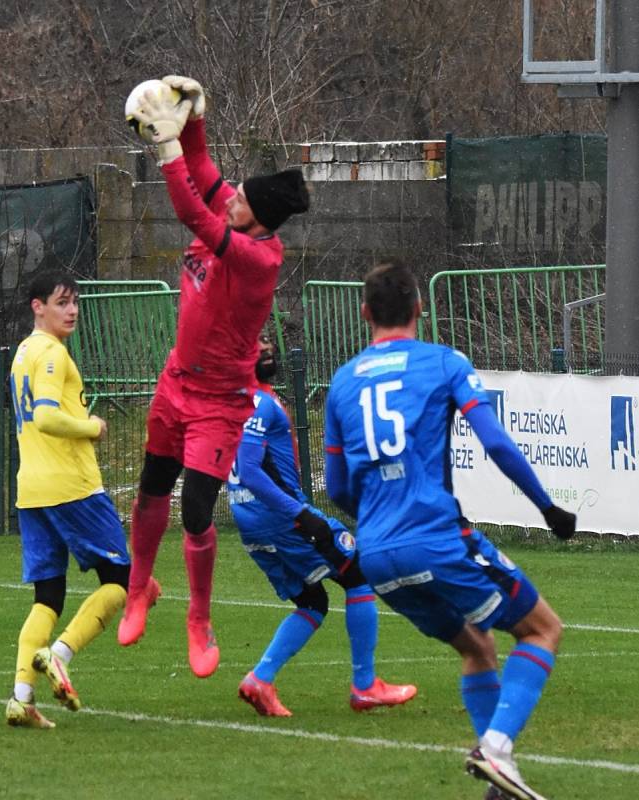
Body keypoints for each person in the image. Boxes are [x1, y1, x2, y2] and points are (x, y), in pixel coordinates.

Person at [324, 261, 576, 800]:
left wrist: (375, 517)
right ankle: (496, 748)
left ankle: (500, 786)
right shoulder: (443, 363)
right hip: (436, 536)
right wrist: (548, 507)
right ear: (420, 307)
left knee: (478, 648)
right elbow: (497, 444)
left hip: (376, 555)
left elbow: (337, 486)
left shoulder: (342, 381)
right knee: (541, 629)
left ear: (365, 313)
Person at [118, 75, 310, 681]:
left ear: (260, 220)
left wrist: (165, 149)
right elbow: (203, 169)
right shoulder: (240, 208)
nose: (229, 198)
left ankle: (199, 619)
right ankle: (137, 588)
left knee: (195, 509)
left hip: (221, 400)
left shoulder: (258, 258)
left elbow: (186, 206)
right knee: (152, 487)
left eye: (241, 201)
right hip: (177, 381)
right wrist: (194, 117)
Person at [228, 334, 417, 716]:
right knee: (359, 573)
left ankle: (260, 679)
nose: (266, 351)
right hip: (279, 516)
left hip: (249, 520)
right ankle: (365, 686)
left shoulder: (233, 403)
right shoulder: (259, 404)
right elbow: (249, 469)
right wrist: (299, 513)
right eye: (256, 347)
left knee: (312, 601)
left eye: (268, 346)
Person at [6, 269, 131, 729]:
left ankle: (21, 697)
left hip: (32, 489)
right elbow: (46, 417)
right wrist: (92, 427)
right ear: (38, 306)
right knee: (122, 578)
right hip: (70, 486)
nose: (72, 310)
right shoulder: (52, 353)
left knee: (48, 595)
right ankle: (59, 655)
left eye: (75, 302)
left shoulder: (22, 352)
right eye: (61, 302)